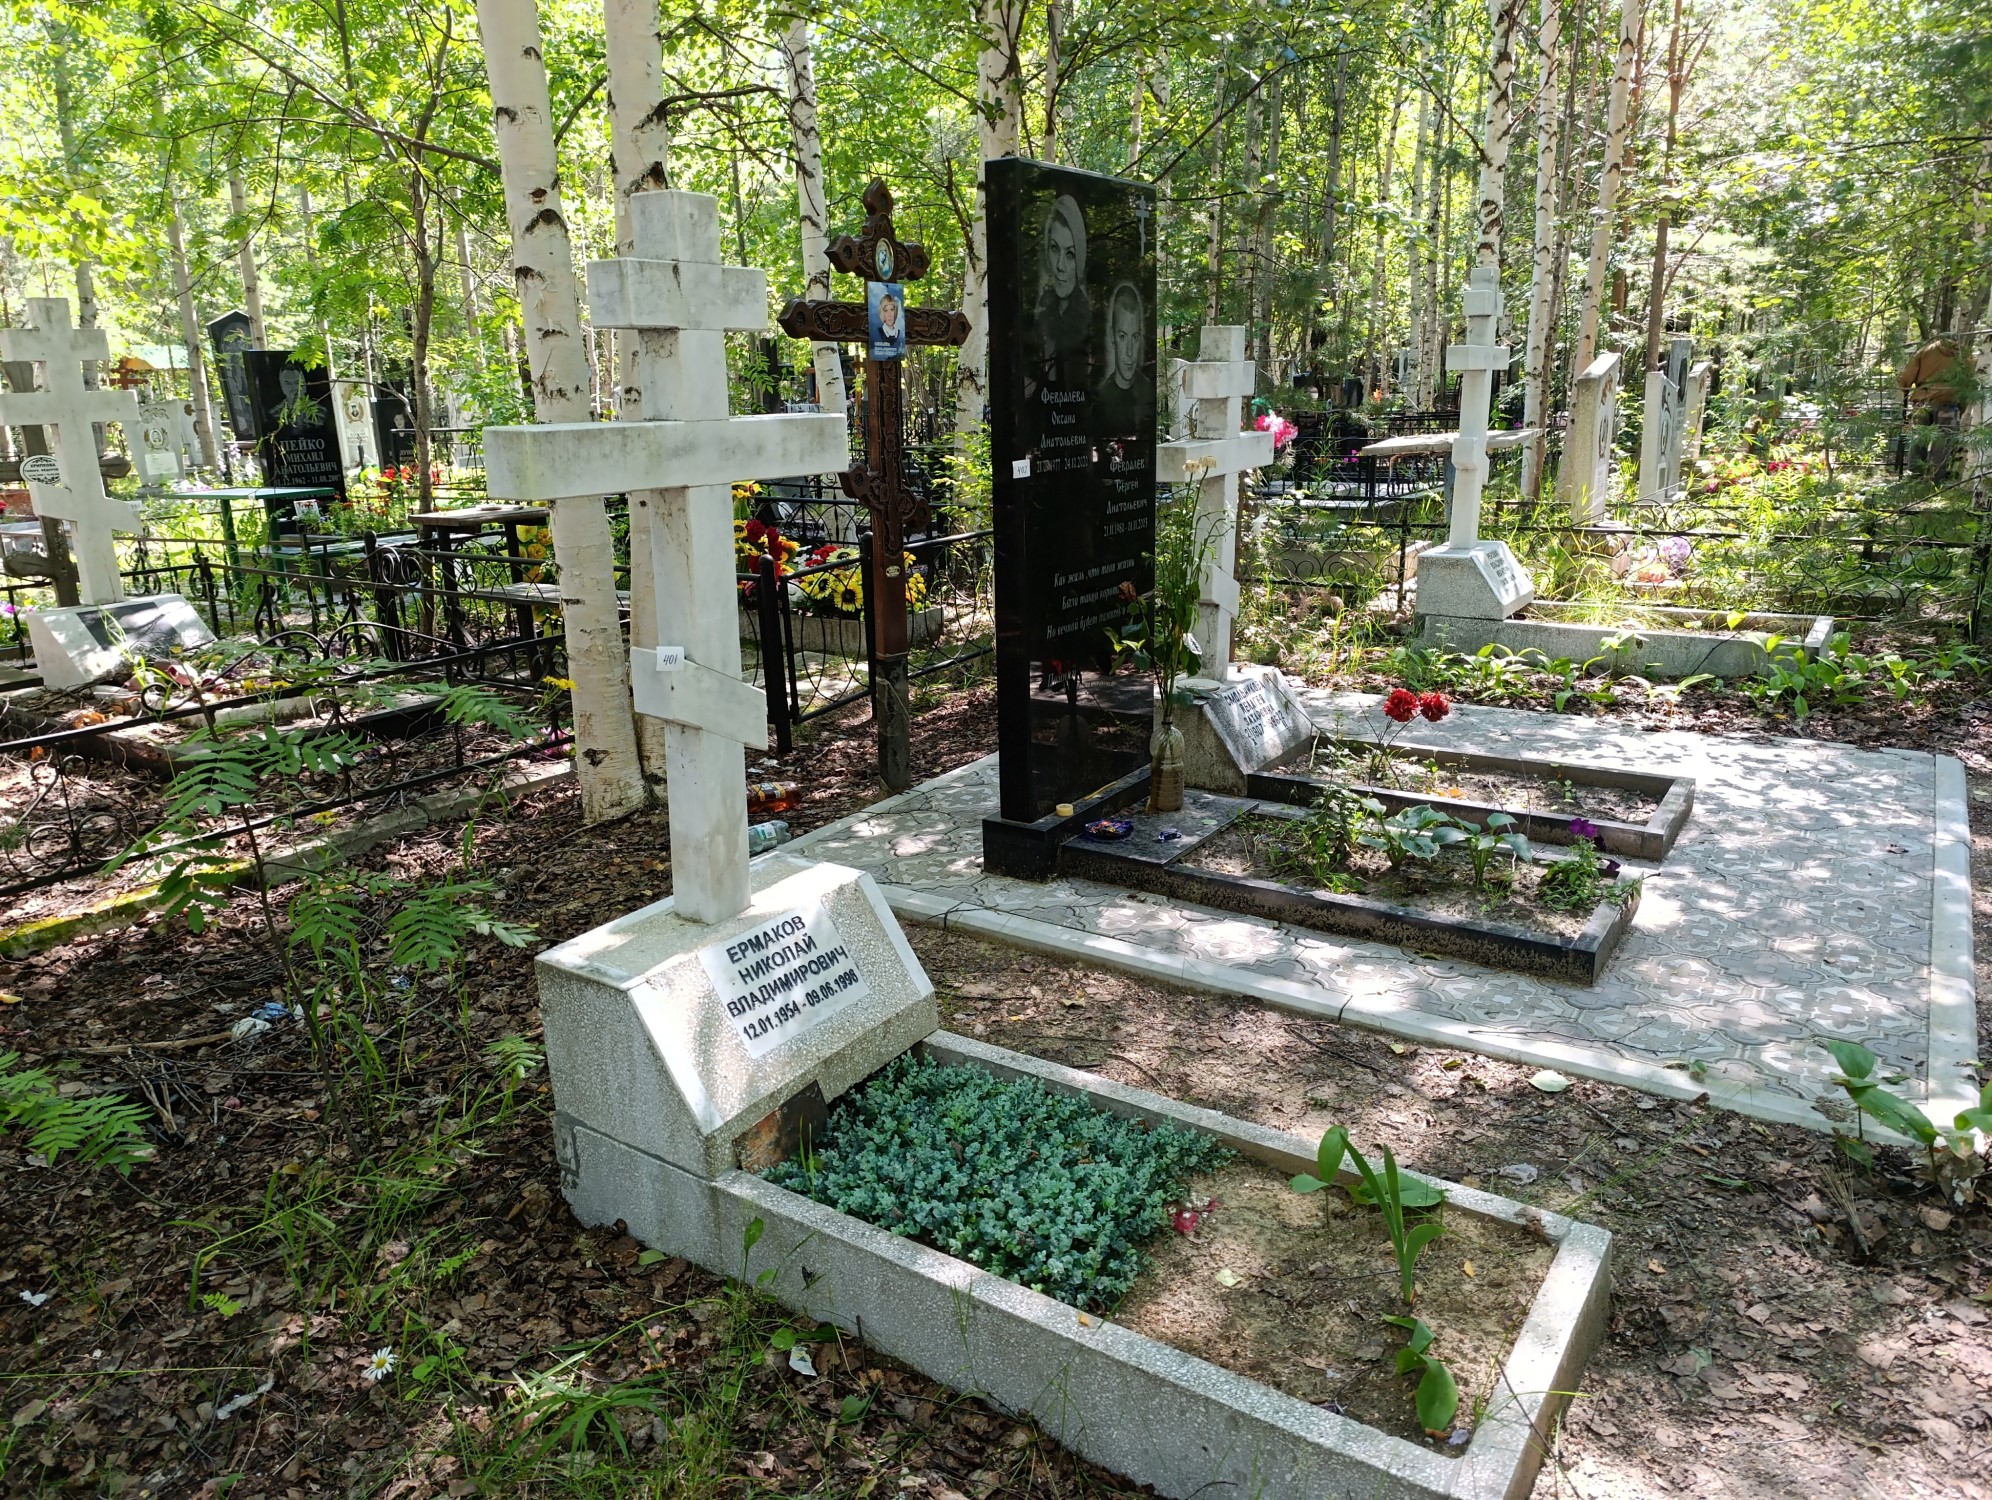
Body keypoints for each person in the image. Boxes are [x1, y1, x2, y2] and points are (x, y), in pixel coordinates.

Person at [1897, 337, 1965, 478]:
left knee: (1918, 440)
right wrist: (1963, 408)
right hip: (1949, 402)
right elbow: (1969, 385)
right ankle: (1936, 478)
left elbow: (1906, 377)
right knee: (1943, 443)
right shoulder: (1964, 354)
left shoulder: (1926, 351)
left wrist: (1904, 392)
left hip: (1923, 401)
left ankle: (1914, 476)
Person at [1094, 281, 1151, 439]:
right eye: (1123, 337)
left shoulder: (1148, 389)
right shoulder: (1103, 396)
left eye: (1135, 337)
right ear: (1112, 337)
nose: (1129, 352)